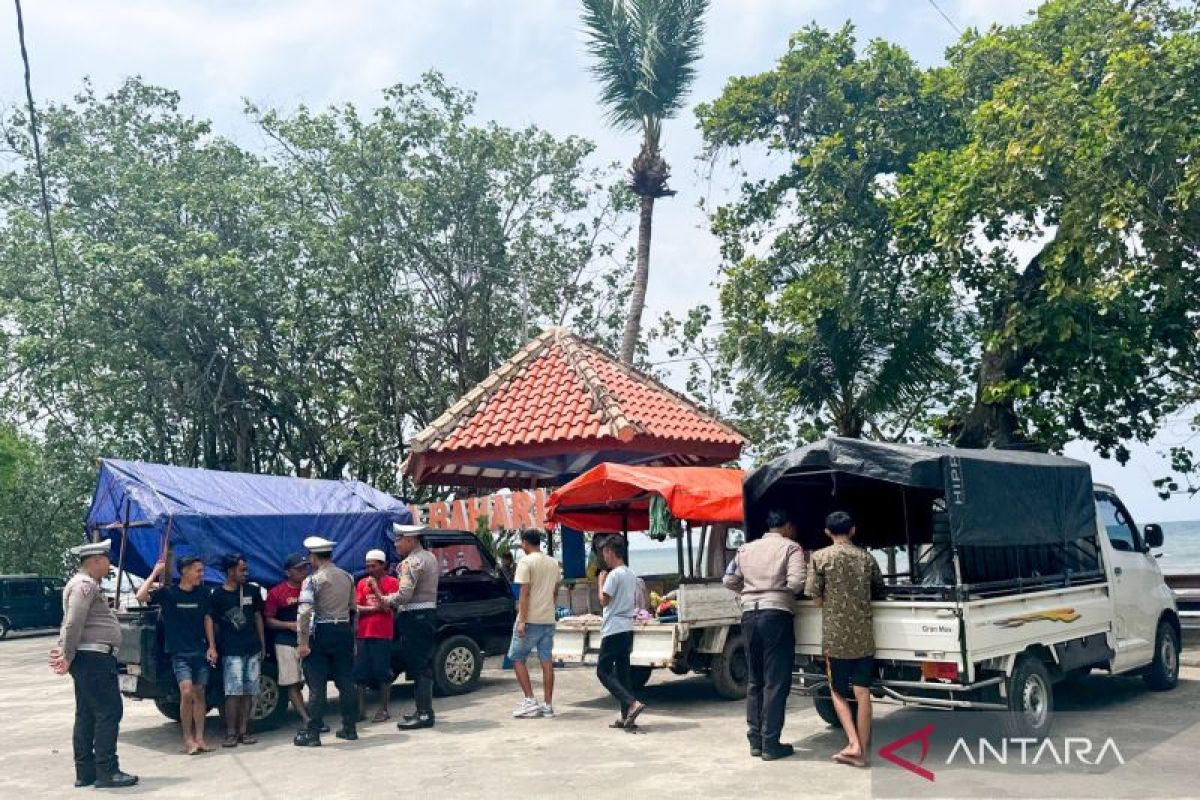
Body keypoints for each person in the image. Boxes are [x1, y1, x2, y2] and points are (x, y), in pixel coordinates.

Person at [48, 540, 138, 789]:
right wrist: (66, 653)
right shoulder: (84, 586)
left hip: (89, 658)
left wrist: (68, 653)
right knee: (108, 712)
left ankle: (86, 772)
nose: (109, 565)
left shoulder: (83, 585)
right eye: (107, 560)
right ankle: (107, 771)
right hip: (94, 659)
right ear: (96, 561)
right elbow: (73, 621)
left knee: (87, 715)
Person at [724, 507, 805, 760]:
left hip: (748, 615)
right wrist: (775, 590)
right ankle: (771, 743)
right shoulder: (791, 548)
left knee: (754, 681)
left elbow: (728, 579)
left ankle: (755, 742)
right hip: (776, 616)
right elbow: (796, 583)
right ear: (788, 526)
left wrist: (751, 590)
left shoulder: (745, 548)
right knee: (775, 681)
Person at [805, 510, 884, 769]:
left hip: (836, 638)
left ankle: (853, 743)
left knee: (838, 691)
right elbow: (880, 591)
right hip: (863, 635)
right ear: (852, 530)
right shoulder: (866, 557)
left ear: (828, 532)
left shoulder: (819, 557)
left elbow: (814, 597)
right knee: (863, 693)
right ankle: (863, 750)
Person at [137, 555, 217, 756]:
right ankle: (187, 739)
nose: (201, 574)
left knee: (200, 694)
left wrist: (212, 646)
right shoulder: (168, 593)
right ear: (185, 571)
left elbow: (208, 618)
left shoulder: (203, 593)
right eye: (198, 570)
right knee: (187, 691)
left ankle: (199, 737)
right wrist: (155, 572)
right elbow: (140, 596)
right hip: (179, 652)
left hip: (199, 650)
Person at [293, 536, 358, 747]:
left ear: (313, 556)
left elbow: (304, 612)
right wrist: (352, 636)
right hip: (343, 630)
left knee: (317, 685)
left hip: (321, 632)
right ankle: (349, 728)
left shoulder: (311, 580)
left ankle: (313, 733)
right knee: (346, 682)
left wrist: (302, 642)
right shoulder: (347, 577)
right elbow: (353, 609)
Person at [381, 524, 439, 730]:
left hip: (414, 616)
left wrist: (385, 599)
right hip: (427, 615)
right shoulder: (429, 557)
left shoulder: (411, 562)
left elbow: (404, 595)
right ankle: (423, 710)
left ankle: (424, 714)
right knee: (423, 663)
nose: (396, 544)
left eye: (398, 540)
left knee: (419, 665)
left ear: (410, 539)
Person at [209, 553, 266, 748]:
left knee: (250, 692)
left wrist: (262, 642)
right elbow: (213, 623)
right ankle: (230, 732)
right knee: (233, 692)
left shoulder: (252, 591)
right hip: (231, 650)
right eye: (242, 570)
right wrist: (214, 646)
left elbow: (258, 616)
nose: (246, 573)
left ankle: (244, 731)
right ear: (230, 571)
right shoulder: (218, 595)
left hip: (252, 648)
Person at [508, 530, 562, 719]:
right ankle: (548, 705)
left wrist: (521, 620)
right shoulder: (553, 563)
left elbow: (524, 593)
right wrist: (549, 609)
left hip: (530, 620)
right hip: (548, 619)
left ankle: (530, 700)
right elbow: (555, 592)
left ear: (524, 543)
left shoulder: (526, 562)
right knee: (546, 662)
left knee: (517, 658)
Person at [596, 538, 645, 730]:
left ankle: (632, 703)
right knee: (623, 672)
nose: (603, 557)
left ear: (610, 551)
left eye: (604, 553)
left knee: (603, 671)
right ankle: (627, 716)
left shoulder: (614, 575)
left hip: (613, 628)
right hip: (626, 626)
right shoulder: (631, 574)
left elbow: (604, 601)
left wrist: (600, 582)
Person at [265, 553, 311, 728]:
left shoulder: (311, 589)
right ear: (287, 572)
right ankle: (306, 717)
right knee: (292, 681)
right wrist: (288, 625)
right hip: (285, 641)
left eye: (305, 567)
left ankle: (314, 711)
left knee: (312, 679)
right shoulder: (277, 592)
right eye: (298, 569)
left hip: (309, 640)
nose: (303, 571)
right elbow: (268, 620)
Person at [354, 549, 399, 723]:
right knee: (360, 673)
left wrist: (376, 589)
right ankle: (360, 709)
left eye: (373, 566)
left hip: (382, 634)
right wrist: (374, 609)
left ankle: (383, 709)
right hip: (363, 633)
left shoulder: (392, 583)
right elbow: (357, 607)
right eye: (367, 566)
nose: (369, 570)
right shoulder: (361, 583)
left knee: (382, 672)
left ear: (383, 565)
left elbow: (388, 608)